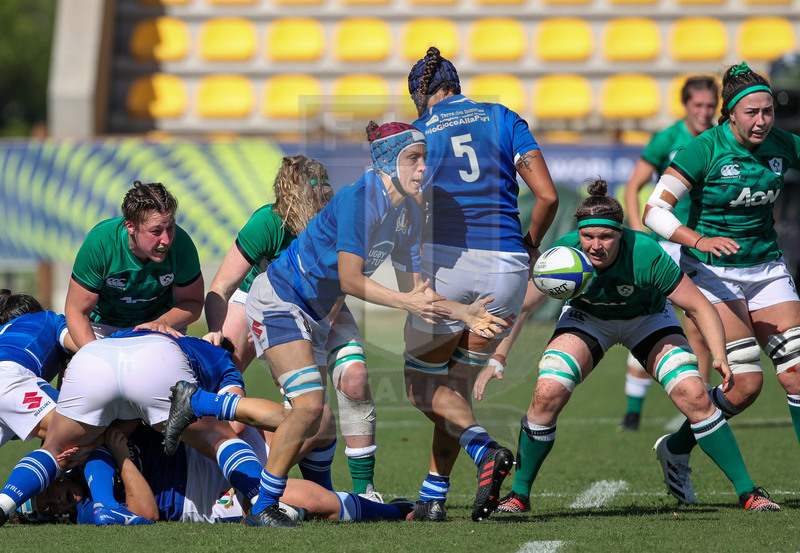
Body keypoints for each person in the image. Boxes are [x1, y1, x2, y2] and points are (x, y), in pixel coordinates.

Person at [163, 120, 507, 528]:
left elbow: (418, 291)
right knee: (308, 408)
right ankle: (262, 504)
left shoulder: (409, 215)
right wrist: (406, 301)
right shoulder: (359, 200)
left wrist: (462, 312)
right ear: (386, 163)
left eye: (424, 159)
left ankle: (200, 404)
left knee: (312, 412)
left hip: (317, 312)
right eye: (412, 159)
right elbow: (350, 279)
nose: (422, 168)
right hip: (280, 299)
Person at [496, 179, 779, 514]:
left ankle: (748, 492)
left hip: (647, 318)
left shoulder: (644, 253)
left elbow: (699, 306)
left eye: (606, 237)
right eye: (588, 236)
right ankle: (518, 494)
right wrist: (498, 357)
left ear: (620, 233)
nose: (595, 245)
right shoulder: (565, 253)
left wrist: (719, 356)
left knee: (695, 394)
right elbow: (523, 307)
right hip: (589, 318)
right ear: (579, 234)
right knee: (547, 391)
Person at [402, 46, 559, 523]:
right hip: (509, 269)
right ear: (457, 83)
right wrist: (528, 248)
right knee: (455, 388)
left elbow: (408, 209)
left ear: (419, 96)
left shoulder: (421, 132)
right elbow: (548, 197)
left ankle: (484, 450)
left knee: (420, 387)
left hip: (449, 266)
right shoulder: (502, 116)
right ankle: (433, 496)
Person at [642, 61, 800, 505]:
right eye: (751, 113)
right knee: (746, 384)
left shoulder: (783, 144)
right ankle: (678, 449)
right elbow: (654, 210)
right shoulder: (702, 149)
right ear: (730, 114)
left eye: (768, 111)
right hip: (712, 274)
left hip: (766, 268)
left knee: (797, 372)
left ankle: (676, 446)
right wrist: (700, 239)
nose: (762, 121)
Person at [202, 154, 380, 497]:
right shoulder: (267, 224)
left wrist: (318, 328)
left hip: (322, 304)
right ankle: (219, 474)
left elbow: (345, 282)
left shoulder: (341, 218)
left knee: (348, 383)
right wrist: (215, 330)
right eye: (316, 195)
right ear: (293, 196)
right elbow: (221, 287)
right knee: (225, 373)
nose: (324, 200)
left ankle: (361, 491)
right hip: (262, 297)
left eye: (327, 192)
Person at [0, 329, 270, 528]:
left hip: (94, 356)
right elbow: (235, 426)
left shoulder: (151, 330)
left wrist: (96, 442)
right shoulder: (222, 361)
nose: (55, 503)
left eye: (46, 497)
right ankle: (264, 504)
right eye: (49, 508)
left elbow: (127, 405)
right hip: (155, 363)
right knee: (220, 437)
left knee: (53, 450)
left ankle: (4, 503)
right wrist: (204, 405)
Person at [618, 76, 720, 431]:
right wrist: (638, 232)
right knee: (643, 320)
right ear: (686, 105)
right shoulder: (667, 139)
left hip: (701, 244)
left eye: (711, 106)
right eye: (699, 105)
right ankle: (633, 409)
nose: (705, 113)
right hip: (666, 243)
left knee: (696, 326)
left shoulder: (720, 139)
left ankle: (699, 404)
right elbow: (634, 187)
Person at [64, 180, 204, 348]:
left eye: (171, 228)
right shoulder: (101, 243)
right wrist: (95, 354)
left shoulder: (181, 244)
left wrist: (162, 322)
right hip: (104, 328)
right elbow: (76, 311)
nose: (166, 240)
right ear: (130, 226)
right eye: (155, 231)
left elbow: (193, 302)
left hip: (159, 327)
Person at [0, 291, 77, 451]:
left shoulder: (5, 335)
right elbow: (83, 345)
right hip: (8, 379)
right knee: (80, 432)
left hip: (9, 386)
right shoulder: (49, 318)